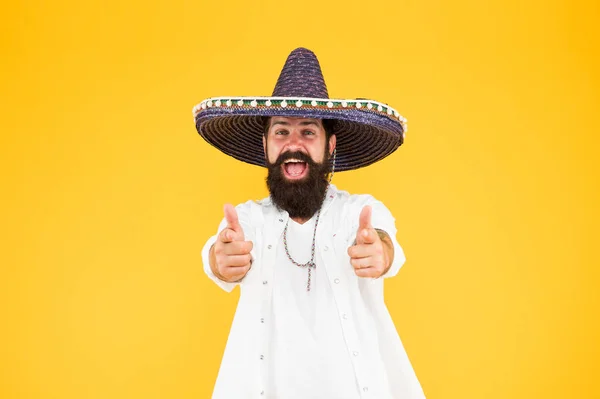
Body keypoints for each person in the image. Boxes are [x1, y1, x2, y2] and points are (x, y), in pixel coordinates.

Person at [193, 48, 425, 399]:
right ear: (266, 145)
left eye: (308, 132)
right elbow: (221, 251)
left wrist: (380, 251)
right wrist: (220, 259)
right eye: (282, 132)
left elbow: (383, 238)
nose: (293, 144)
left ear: (330, 145)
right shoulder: (249, 219)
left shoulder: (356, 211)